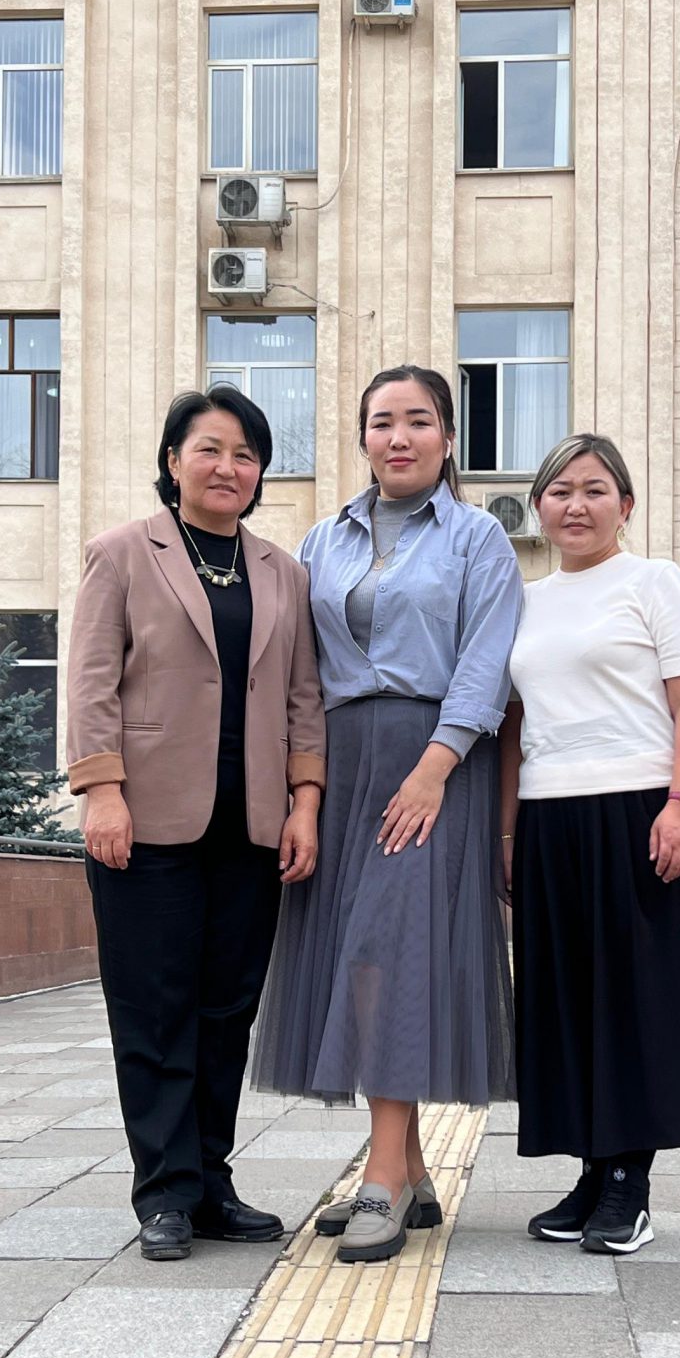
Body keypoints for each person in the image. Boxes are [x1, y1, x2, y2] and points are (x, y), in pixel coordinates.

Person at [253, 365, 522, 1265]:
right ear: (362, 436)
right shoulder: (321, 540)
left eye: (417, 420)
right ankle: (406, 1169)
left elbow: (486, 663)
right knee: (357, 956)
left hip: (433, 760)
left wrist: (436, 768)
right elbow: (301, 672)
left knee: (390, 952)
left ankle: (381, 1177)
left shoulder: (479, 538)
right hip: (344, 761)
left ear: (448, 436)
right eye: (381, 422)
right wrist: (305, 790)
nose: (398, 437)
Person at [68, 388, 325, 1262]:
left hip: (250, 828)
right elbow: (91, 681)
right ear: (174, 460)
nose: (228, 467)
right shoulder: (122, 554)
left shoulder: (283, 573)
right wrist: (102, 790)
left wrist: (305, 801)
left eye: (246, 454)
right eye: (210, 449)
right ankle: (164, 1193)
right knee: (154, 1010)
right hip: (145, 823)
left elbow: (303, 697)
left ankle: (212, 1183)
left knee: (225, 1013)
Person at [502, 433, 680, 1258]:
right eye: (560, 491)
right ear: (539, 506)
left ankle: (630, 1179)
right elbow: (513, 725)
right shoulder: (524, 601)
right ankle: (592, 1172)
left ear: (625, 506)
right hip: (548, 815)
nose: (576, 505)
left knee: (639, 997)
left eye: (595, 490)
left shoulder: (654, 583)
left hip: (640, 810)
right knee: (566, 998)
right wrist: (506, 831)